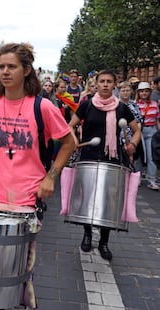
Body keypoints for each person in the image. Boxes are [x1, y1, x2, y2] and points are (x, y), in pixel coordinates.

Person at [0, 42, 75, 310]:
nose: (5, 72)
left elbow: (69, 143)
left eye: (12, 66)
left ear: (26, 70)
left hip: (26, 199)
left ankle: (18, 302)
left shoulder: (43, 107)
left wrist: (51, 177)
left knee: (17, 265)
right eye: (1, 66)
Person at [68, 69, 141, 260]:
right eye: (102, 81)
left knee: (109, 201)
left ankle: (104, 243)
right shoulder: (87, 105)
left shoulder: (121, 109)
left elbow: (137, 131)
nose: (106, 84)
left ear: (114, 84)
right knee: (88, 196)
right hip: (89, 155)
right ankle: (87, 235)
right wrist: (74, 139)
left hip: (113, 158)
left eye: (109, 81)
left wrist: (132, 144)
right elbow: (69, 126)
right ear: (97, 84)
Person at [134, 81, 160, 190]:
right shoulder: (135, 104)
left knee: (151, 156)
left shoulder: (154, 104)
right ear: (138, 93)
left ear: (149, 92)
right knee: (138, 155)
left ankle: (151, 180)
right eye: (142, 91)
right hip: (139, 130)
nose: (144, 93)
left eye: (146, 91)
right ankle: (137, 178)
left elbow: (157, 119)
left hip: (152, 130)